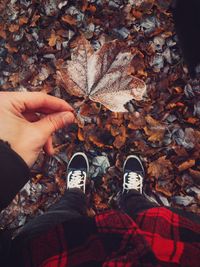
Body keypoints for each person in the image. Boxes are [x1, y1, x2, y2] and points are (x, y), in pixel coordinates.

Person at [0, 91, 199, 267]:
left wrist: (6, 159)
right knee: (146, 211)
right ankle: (132, 197)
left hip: (47, 253)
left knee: (62, 213)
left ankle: (74, 195)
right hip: (171, 246)